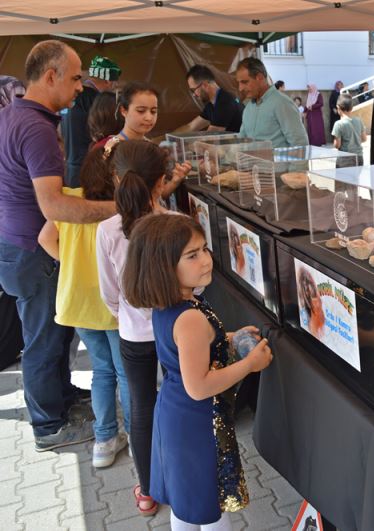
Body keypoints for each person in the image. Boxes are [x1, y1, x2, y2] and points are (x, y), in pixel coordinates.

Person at [0, 40, 116, 452]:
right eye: (75, 77)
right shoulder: (36, 128)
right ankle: (48, 425)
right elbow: (55, 206)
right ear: (50, 76)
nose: (81, 86)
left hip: (16, 244)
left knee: (55, 333)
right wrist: (119, 208)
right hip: (32, 251)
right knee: (43, 340)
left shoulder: (14, 114)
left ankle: (63, 397)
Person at [122, 214, 273, 530]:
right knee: (209, 505)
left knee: (186, 501)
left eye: (204, 249)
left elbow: (191, 348)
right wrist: (249, 365)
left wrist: (228, 337)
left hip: (176, 415)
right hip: (196, 423)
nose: (206, 260)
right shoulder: (189, 318)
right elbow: (199, 386)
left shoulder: (178, 303)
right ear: (164, 267)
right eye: (192, 255)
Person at [95, 139, 179, 516]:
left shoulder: (106, 230)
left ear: (117, 179)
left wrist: (127, 315)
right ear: (161, 182)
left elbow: (109, 292)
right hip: (176, 331)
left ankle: (147, 491)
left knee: (142, 407)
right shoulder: (177, 225)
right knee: (184, 402)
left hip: (133, 335)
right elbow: (196, 285)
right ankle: (183, 478)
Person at [37, 146, 131, 469]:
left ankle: (104, 440)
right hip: (113, 305)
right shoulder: (122, 209)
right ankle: (137, 437)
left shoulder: (70, 200)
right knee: (126, 372)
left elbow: (45, 239)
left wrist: (71, 264)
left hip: (78, 303)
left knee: (101, 371)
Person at [87, 81, 190, 200]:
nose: (149, 118)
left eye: (153, 111)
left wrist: (175, 181)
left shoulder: (151, 147)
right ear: (123, 111)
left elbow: (156, 197)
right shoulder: (108, 148)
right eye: (141, 111)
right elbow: (98, 195)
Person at [62, 55, 121, 187]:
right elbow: (108, 131)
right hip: (88, 167)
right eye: (114, 84)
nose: (113, 88)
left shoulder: (72, 95)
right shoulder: (95, 99)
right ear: (108, 81)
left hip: (70, 167)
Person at [235, 57, 308, 147]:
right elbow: (242, 141)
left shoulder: (282, 103)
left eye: (244, 82)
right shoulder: (248, 108)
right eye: (239, 83)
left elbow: (300, 145)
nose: (240, 88)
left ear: (260, 77)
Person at [176, 64, 242, 133]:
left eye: (193, 90)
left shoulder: (225, 103)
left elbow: (211, 135)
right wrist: (168, 137)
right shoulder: (212, 105)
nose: (194, 94)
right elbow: (190, 127)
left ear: (205, 85)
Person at [332, 94, 367, 165]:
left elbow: (337, 145)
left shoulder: (338, 124)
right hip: (359, 157)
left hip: (345, 158)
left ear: (338, 107)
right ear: (352, 107)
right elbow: (364, 139)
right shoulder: (358, 120)